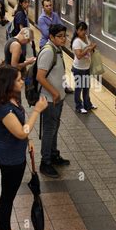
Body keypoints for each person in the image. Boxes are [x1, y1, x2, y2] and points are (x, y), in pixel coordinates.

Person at [0, 65, 48, 230]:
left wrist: (28, 140)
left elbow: (21, 130)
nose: (23, 81)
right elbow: (21, 132)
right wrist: (36, 110)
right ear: (8, 83)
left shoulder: (12, 99)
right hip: (10, 160)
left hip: (14, 155)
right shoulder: (4, 109)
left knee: (8, 195)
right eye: (19, 79)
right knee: (7, 197)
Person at [37, 24, 71, 178]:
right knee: (49, 130)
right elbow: (40, 77)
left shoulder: (58, 49)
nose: (63, 39)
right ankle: (45, 162)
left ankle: (53, 154)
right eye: (60, 36)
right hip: (49, 100)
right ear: (51, 37)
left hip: (58, 98)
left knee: (55, 127)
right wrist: (54, 93)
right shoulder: (48, 52)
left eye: (64, 35)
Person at [71, 21, 97, 114]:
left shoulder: (86, 38)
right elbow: (79, 55)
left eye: (85, 30)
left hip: (86, 67)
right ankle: (79, 106)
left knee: (86, 87)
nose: (84, 32)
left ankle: (87, 104)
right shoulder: (76, 42)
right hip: (78, 69)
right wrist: (89, 49)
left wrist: (92, 47)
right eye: (81, 30)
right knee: (79, 88)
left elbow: (89, 47)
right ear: (77, 31)